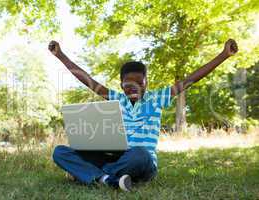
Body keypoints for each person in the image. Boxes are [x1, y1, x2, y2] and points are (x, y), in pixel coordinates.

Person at [49, 39, 238, 191]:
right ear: (121, 83)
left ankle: (91, 174)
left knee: (140, 154)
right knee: (60, 152)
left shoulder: (157, 99)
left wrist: (223, 55)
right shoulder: (115, 99)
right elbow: (88, 80)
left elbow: (191, 79)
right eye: (128, 83)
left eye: (140, 82)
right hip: (116, 159)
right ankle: (108, 179)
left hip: (141, 163)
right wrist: (60, 55)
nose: (135, 87)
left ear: (147, 82)